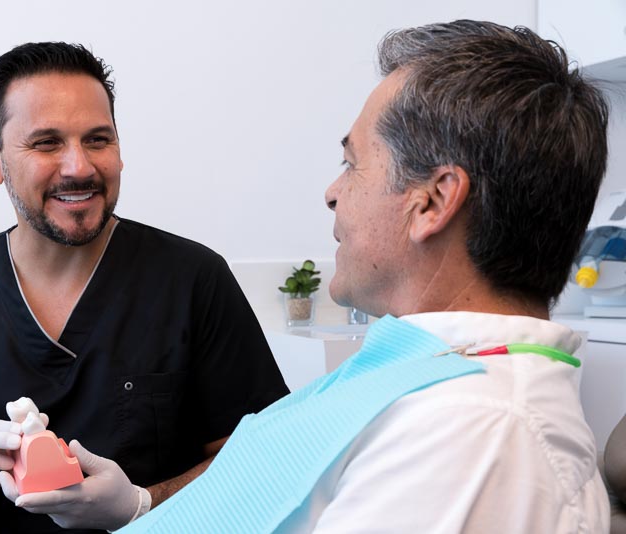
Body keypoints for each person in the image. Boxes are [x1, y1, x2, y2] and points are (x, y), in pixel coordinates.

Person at [117, 20, 612, 533]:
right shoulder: (433, 380)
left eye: (352, 162)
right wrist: (137, 506)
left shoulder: (477, 432)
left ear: (433, 201)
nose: (332, 191)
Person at [0, 42, 289, 533]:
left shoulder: (194, 281)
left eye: (98, 139)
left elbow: (264, 457)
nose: (79, 167)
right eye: (46, 143)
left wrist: (144, 505)